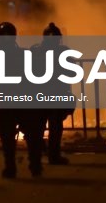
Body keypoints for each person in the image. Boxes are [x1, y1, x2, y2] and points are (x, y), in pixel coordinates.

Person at [0, 21, 43, 178]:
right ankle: (33, 166)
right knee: (28, 136)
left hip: (13, 101)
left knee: (12, 138)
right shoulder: (24, 55)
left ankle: (15, 167)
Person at [31, 22, 74, 165]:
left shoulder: (35, 50)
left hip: (40, 95)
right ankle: (53, 156)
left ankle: (38, 155)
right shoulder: (64, 52)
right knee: (55, 127)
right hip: (55, 95)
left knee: (38, 127)